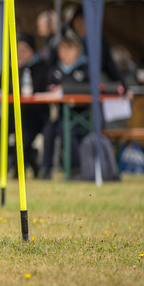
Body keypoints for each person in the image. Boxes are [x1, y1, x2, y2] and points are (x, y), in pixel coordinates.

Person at [0, 33, 51, 177]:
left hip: (34, 115)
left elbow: (44, 90)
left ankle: (18, 169)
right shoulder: (10, 68)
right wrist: (14, 69)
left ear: (32, 51)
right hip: (12, 114)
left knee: (24, 137)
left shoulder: (42, 67)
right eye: (17, 49)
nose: (20, 53)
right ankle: (21, 160)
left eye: (24, 49)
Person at [40, 30, 91, 179]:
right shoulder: (55, 70)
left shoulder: (85, 68)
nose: (66, 52)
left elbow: (90, 88)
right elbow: (47, 88)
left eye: (70, 48)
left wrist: (67, 90)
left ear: (78, 50)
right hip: (60, 115)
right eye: (62, 48)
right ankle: (46, 169)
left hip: (82, 116)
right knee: (49, 130)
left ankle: (76, 168)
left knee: (65, 130)